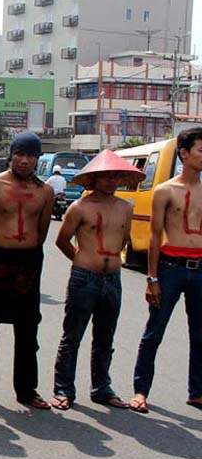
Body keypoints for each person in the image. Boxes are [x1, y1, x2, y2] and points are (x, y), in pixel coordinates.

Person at [50, 149, 142, 411]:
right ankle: (63, 388)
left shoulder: (126, 208)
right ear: (93, 179)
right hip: (84, 277)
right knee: (73, 336)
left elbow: (124, 240)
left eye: (115, 176)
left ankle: (102, 388)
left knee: (105, 337)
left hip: (112, 277)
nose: (112, 181)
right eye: (106, 176)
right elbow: (62, 240)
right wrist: (82, 261)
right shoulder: (79, 207)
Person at [0, 132, 54, 409]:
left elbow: (41, 233)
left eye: (31, 156)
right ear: (11, 155)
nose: (25, 161)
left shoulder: (45, 191)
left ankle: (27, 390)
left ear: (38, 159)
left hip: (28, 262)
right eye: (20, 154)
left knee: (28, 330)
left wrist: (27, 257)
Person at [131, 128, 202, 413]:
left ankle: (196, 391)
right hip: (170, 267)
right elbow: (153, 235)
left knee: (200, 335)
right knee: (154, 333)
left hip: (200, 268)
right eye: (200, 150)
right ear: (184, 154)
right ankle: (140, 391)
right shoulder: (165, 191)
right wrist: (152, 278)